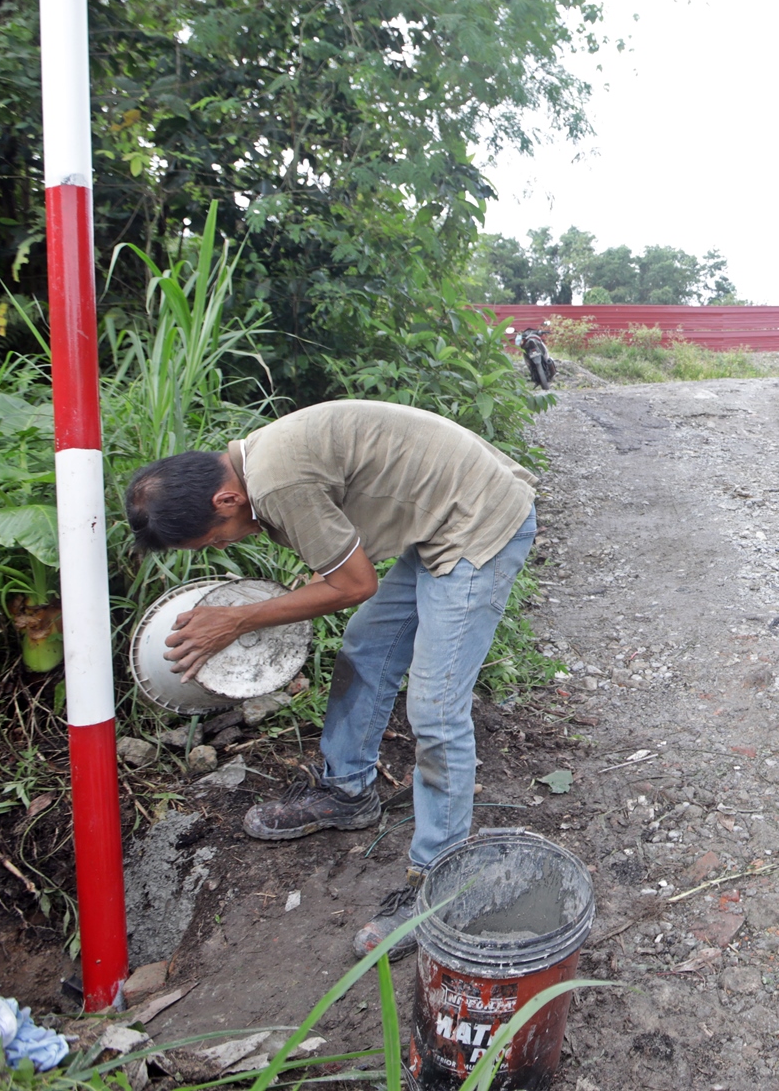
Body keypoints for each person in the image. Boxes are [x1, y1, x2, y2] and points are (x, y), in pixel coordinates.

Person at [122, 399, 538, 960]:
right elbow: (336, 559)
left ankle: (438, 887)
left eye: (216, 538)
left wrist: (239, 618)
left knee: (436, 709)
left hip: (478, 523)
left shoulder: (276, 484)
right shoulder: (252, 467)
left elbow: (352, 585)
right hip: (443, 511)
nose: (225, 546)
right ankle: (346, 791)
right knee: (367, 648)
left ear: (226, 499)